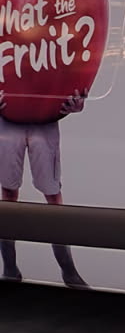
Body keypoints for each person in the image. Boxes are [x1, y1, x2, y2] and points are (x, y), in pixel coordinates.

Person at [0, 89, 89, 288]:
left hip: (44, 120)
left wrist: (78, 102)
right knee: (8, 193)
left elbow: (71, 80)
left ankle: (68, 270)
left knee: (52, 195)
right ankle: (10, 267)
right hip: (7, 119)